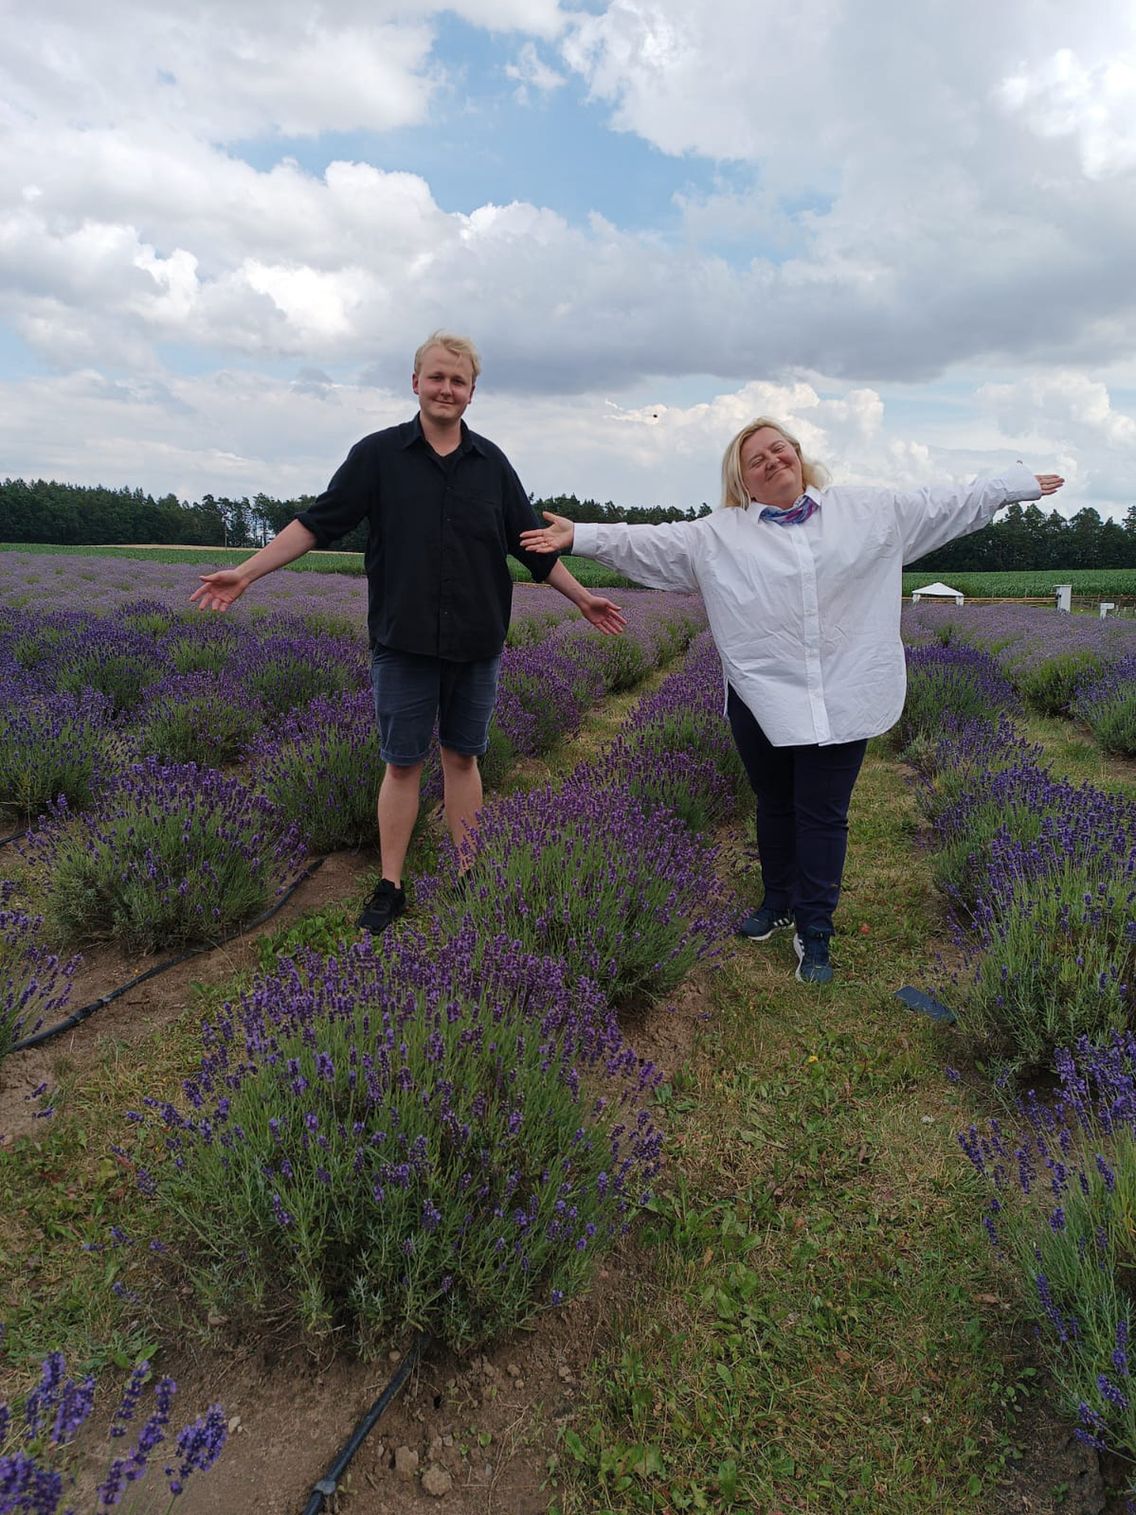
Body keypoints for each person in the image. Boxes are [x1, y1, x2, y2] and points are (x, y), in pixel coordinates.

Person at [520, 417, 1064, 985]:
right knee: (774, 801)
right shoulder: (720, 534)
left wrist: (1011, 483)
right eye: (756, 460)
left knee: (822, 814)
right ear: (744, 484)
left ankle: (816, 932)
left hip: (845, 688)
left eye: (778, 449)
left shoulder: (867, 512)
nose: (772, 461)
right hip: (763, 693)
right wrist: (580, 536)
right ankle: (777, 901)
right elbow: (653, 540)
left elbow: (942, 503)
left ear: (798, 455)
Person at [191, 330, 625, 934]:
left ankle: (469, 871)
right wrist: (247, 572)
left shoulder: (492, 464)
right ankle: (390, 883)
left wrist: (582, 599)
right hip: (404, 641)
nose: (447, 388)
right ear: (415, 382)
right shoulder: (377, 456)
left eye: (459, 380)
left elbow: (531, 547)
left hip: (476, 641)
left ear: (473, 392)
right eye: (437, 377)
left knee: (463, 758)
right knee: (402, 765)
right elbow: (317, 524)